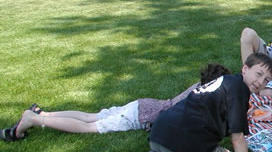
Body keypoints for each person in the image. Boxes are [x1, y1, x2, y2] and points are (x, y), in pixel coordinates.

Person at [141, 53, 272, 152]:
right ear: (245, 68)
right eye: (259, 74)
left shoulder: (227, 81)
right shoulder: (239, 90)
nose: (260, 82)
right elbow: (237, 139)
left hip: (159, 135)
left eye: (266, 80)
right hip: (181, 142)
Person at [1, 64, 231, 141]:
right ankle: (35, 119)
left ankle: (44, 114)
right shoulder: (201, 97)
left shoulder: (198, 87)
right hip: (140, 116)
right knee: (90, 127)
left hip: (141, 105)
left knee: (92, 116)